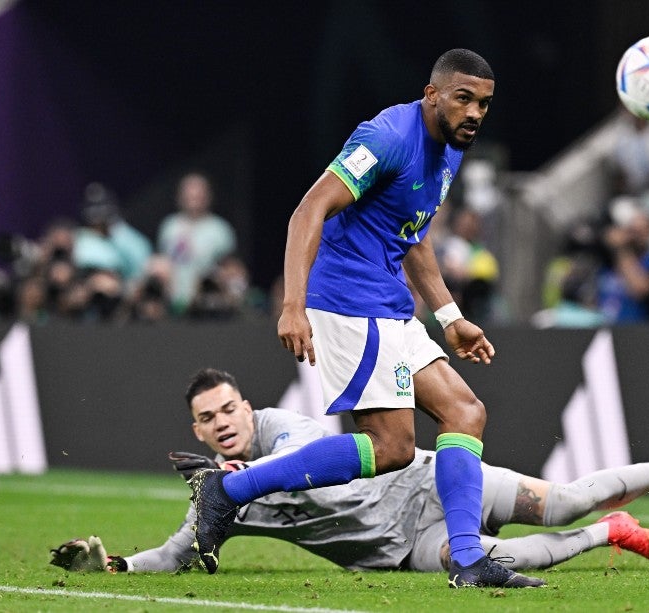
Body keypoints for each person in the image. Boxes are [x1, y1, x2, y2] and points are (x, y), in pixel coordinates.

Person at [188, 48, 542, 589]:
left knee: (465, 413)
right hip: (349, 300)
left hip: (389, 303)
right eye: (463, 99)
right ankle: (229, 491)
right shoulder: (387, 138)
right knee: (392, 447)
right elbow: (308, 210)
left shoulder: (450, 148)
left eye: (484, 105)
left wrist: (450, 317)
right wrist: (292, 304)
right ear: (433, 95)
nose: (474, 113)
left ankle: (468, 561)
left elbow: (413, 238)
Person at [49, 368, 649, 575]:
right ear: (195, 430)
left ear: (246, 405)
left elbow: (303, 451)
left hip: (427, 481)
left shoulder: (281, 432)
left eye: (230, 408)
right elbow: (181, 551)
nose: (224, 422)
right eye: (208, 419)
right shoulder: (218, 499)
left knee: (561, 498)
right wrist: (114, 566)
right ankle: (613, 534)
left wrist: (241, 476)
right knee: (474, 563)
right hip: (394, 548)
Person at [157, 173, 237, 314]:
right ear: (180, 197)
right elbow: (163, 261)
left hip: (206, 305)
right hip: (173, 301)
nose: (193, 200)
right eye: (189, 196)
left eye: (198, 196)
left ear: (207, 197)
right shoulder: (169, 226)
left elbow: (231, 269)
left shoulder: (220, 229)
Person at [596, 207, 649, 324]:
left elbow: (639, 289)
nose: (635, 237)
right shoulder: (610, 263)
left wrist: (622, 249)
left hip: (640, 334)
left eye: (641, 232)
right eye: (632, 231)